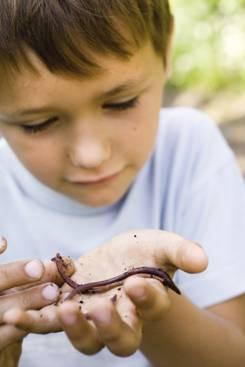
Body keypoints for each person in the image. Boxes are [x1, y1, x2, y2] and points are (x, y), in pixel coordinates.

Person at [0, 1, 244, 366]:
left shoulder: (190, 148)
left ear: (166, 53)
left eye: (121, 102)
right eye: (37, 123)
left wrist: (155, 309)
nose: (91, 155)